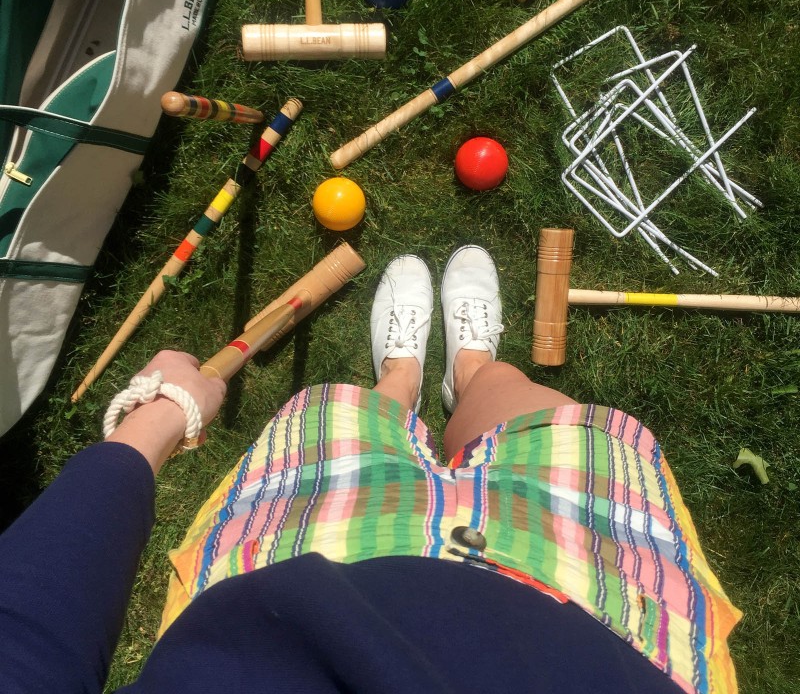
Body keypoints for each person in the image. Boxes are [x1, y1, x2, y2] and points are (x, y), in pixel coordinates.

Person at [0, 246, 740, 693]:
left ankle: (401, 381)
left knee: (336, 409)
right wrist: (162, 413)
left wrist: (163, 413)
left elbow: (21, 642)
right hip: (609, 624)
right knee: (549, 418)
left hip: (288, 591)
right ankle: (475, 371)